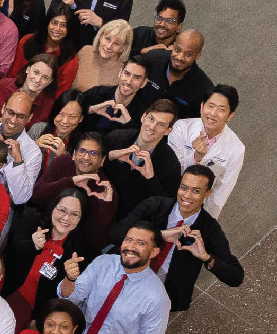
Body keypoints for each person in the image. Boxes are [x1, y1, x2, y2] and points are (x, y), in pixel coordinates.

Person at [111, 165, 244, 312]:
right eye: (184, 187)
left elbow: (236, 277)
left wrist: (206, 257)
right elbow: (115, 234)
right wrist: (159, 235)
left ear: (207, 193)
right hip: (121, 277)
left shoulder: (210, 229)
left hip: (157, 298)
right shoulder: (154, 205)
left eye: (196, 191)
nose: (187, 195)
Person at [3, 189, 95, 331]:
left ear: (81, 218)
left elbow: (68, 297)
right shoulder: (31, 222)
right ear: (53, 208)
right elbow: (9, 254)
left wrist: (42, 320)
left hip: (36, 317)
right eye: (62, 210)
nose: (66, 218)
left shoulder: (82, 252)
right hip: (4, 297)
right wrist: (32, 246)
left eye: (74, 214)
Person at [30, 130, 117, 253]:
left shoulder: (105, 188)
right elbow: (36, 196)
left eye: (93, 153)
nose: (86, 157)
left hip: (74, 245)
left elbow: (97, 238)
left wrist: (106, 203)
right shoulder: (62, 162)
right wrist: (70, 181)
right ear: (74, 154)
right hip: (43, 226)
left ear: (102, 160)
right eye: (82, 151)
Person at [166, 85, 243, 217]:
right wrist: (195, 158)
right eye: (210, 106)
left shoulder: (236, 149)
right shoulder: (181, 128)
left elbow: (220, 193)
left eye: (221, 109)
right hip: (165, 195)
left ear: (230, 116)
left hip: (195, 210)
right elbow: (169, 171)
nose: (213, 113)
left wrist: (204, 224)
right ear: (202, 107)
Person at [104, 99, 181, 221]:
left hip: (132, 223)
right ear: (143, 117)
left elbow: (166, 208)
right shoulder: (116, 138)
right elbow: (90, 164)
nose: (152, 127)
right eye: (151, 119)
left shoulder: (171, 164)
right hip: (101, 207)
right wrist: (110, 156)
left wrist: (150, 179)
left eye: (161, 124)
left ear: (168, 131)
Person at [136, 30, 212, 119]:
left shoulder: (204, 89)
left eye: (188, 54)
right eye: (177, 50)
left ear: (197, 55)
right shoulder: (153, 58)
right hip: (132, 122)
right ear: (173, 45)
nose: (180, 57)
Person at [8, 4, 79, 98]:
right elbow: (13, 75)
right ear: (47, 23)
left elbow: (59, 95)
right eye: (54, 23)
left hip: (43, 105)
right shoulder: (27, 41)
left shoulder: (70, 60)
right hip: (15, 94)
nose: (57, 29)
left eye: (63, 25)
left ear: (68, 29)